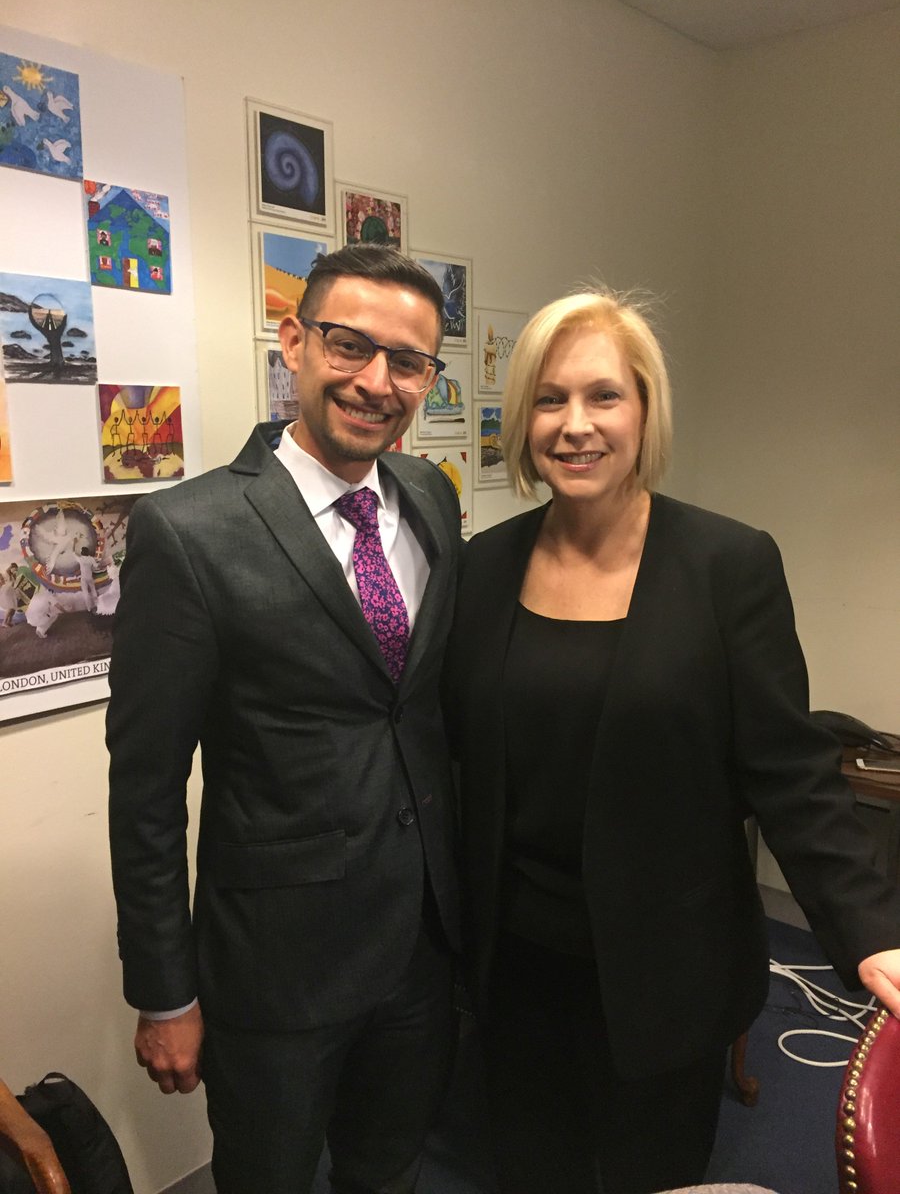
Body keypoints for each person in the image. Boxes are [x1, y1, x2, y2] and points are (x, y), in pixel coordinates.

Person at [442, 288, 900, 1194]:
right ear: (523, 419)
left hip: (667, 968)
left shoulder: (728, 564)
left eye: (603, 396)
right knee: (530, 1170)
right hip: (517, 964)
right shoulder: (484, 565)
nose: (576, 425)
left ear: (645, 411)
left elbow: (790, 769)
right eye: (549, 399)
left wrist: (868, 930)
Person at [107, 245, 462, 1194]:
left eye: (408, 362)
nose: (377, 382)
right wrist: (164, 993)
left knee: (389, 1173)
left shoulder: (431, 498)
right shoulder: (189, 531)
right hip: (277, 973)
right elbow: (145, 789)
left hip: (421, 946)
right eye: (350, 345)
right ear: (295, 341)